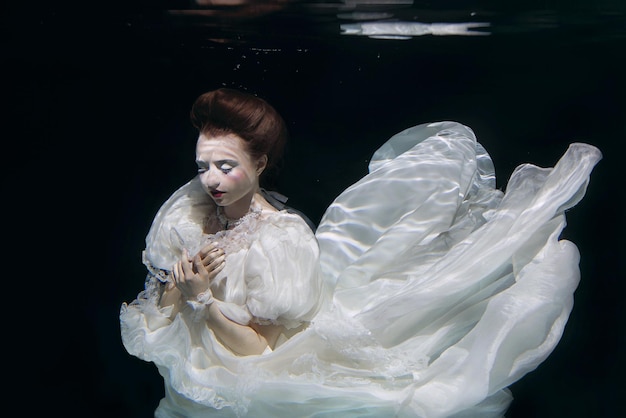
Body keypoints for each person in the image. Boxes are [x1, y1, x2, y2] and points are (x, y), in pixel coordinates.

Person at [120, 88, 602, 417]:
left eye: (226, 166)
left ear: (261, 163)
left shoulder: (281, 239)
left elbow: (263, 351)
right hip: (189, 380)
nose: (210, 180)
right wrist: (179, 294)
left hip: (246, 388)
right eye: (204, 165)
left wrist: (201, 300)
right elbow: (159, 312)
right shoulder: (190, 212)